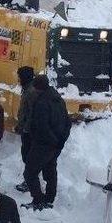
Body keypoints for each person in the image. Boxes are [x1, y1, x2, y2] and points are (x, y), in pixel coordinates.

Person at [22, 75, 71, 210]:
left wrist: (52, 141)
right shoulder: (59, 99)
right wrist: (61, 141)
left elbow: (41, 126)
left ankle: (38, 200)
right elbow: (68, 122)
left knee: (30, 172)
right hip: (56, 145)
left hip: (43, 144)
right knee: (50, 171)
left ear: (37, 87)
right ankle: (49, 199)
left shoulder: (42, 102)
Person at [14, 66, 37, 193]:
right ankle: (29, 180)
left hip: (30, 131)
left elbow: (32, 113)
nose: (18, 79)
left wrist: (25, 128)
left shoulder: (31, 91)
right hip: (27, 129)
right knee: (26, 156)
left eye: (19, 77)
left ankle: (29, 182)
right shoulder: (27, 88)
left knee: (29, 157)